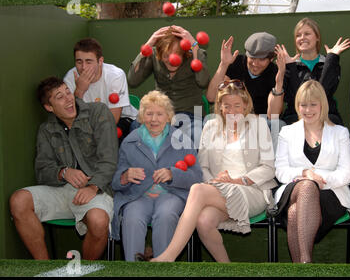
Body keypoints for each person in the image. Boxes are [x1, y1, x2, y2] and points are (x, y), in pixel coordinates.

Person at [151, 80, 277, 262]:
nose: (232, 111)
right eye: (227, 106)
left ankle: (169, 256)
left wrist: (238, 181)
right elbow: (202, 167)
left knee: (197, 190)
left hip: (252, 191)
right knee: (204, 221)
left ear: (245, 105)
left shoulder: (258, 125)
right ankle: (226, 270)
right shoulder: (210, 127)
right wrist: (216, 182)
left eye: (237, 106)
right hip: (220, 190)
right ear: (220, 107)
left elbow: (268, 168)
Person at [9, 77, 118, 260]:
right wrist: (63, 172)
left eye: (68, 92)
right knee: (18, 201)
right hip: (61, 191)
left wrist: (93, 187)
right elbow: (42, 170)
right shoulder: (46, 129)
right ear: (49, 107)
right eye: (60, 97)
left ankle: (82, 271)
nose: (69, 99)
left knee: (99, 222)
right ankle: (44, 268)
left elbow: (110, 159)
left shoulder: (98, 112)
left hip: (97, 189)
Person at [111, 91, 203, 261]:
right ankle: (133, 270)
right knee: (131, 218)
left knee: (166, 215)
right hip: (138, 195)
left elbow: (197, 177)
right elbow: (116, 181)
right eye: (149, 113)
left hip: (171, 194)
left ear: (168, 117)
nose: (154, 119)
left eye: (159, 114)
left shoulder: (181, 139)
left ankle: (162, 269)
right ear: (141, 116)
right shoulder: (130, 141)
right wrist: (125, 176)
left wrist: (172, 174)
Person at [274, 80, 350, 263]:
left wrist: (320, 179)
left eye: (313, 104)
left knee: (295, 213)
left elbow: (346, 173)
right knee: (307, 187)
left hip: (331, 193)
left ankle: (301, 268)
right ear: (297, 106)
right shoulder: (287, 132)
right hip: (294, 190)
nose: (308, 110)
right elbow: (281, 171)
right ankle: (306, 262)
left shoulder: (340, 132)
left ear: (322, 105)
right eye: (303, 105)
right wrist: (306, 174)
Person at [127, 25, 210, 148]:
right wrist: (148, 45)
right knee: (136, 128)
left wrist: (194, 46)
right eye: (166, 56)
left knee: (196, 135)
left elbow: (203, 81)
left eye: (176, 54)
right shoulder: (155, 55)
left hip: (190, 115)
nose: (171, 60)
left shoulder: (194, 54)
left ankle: (189, 167)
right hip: (161, 114)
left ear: (184, 52)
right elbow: (133, 80)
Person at [206, 32, 284, 150]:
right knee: (210, 119)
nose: (255, 64)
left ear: (271, 58)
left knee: (278, 125)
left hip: (259, 121)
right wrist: (224, 64)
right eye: (252, 58)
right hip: (232, 116)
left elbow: (273, 116)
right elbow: (211, 97)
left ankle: (272, 167)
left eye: (261, 59)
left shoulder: (275, 72)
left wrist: (279, 83)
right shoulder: (236, 63)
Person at [268, 17, 350, 126]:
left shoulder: (330, 63)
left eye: (307, 34)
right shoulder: (289, 65)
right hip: (294, 117)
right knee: (275, 125)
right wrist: (291, 67)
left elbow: (321, 94)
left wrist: (331, 59)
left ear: (317, 37)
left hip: (326, 115)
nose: (302, 38)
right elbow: (298, 99)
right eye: (298, 35)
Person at [63, 38, 139, 141]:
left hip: (122, 119)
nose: (83, 67)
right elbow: (71, 116)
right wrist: (79, 91)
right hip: (87, 122)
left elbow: (113, 119)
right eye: (79, 62)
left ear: (100, 61)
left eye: (89, 61)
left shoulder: (115, 75)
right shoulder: (70, 78)